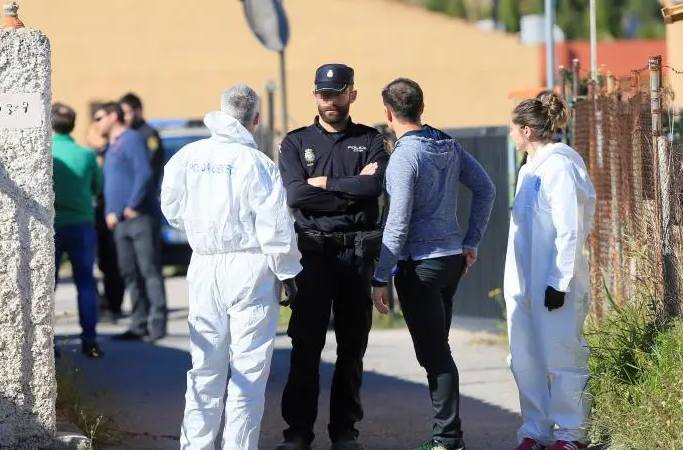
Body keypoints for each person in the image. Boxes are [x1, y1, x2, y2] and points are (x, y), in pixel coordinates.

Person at [160, 84, 302, 450]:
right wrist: (288, 272)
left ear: (221, 111)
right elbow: (275, 227)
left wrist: (200, 229)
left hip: (204, 264)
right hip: (250, 267)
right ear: (256, 120)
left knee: (204, 366)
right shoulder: (257, 164)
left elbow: (171, 210)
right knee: (248, 371)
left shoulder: (187, 156)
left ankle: (196, 445)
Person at [370, 78, 496, 450]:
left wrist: (380, 276)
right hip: (449, 260)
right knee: (437, 349)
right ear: (421, 108)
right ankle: (446, 436)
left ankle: (447, 440)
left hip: (420, 266)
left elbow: (397, 222)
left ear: (388, 112)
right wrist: (470, 241)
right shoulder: (446, 143)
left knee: (435, 355)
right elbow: (486, 187)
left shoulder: (405, 156)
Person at [277, 63, 390, 450]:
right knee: (306, 346)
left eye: (337, 94)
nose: (330, 102)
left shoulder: (371, 140)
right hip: (312, 253)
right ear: (315, 96)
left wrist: (325, 185)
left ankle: (344, 433)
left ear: (351, 94)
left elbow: (374, 186)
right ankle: (298, 433)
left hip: (356, 254)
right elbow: (295, 195)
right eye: (323, 95)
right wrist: (350, 191)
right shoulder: (295, 142)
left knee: (351, 347)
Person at [504, 93, 596, 450]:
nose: (511, 134)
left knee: (562, 357)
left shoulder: (561, 165)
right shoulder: (529, 170)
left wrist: (559, 281)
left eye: (513, 128)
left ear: (526, 130)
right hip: (524, 284)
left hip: (555, 283)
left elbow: (568, 228)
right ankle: (536, 429)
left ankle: (572, 433)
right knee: (524, 357)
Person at [94, 102, 168, 343]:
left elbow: (144, 173)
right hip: (118, 222)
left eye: (99, 118)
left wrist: (131, 206)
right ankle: (138, 323)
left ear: (113, 116)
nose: (96, 123)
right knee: (129, 273)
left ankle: (157, 323)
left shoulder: (133, 139)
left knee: (149, 271)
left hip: (138, 218)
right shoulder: (113, 145)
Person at [51, 103, 105, 358]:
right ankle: (90, 340)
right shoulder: (86, 155)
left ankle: (49, 343)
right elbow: (97, 187)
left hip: (50, 224)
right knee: (85, 282)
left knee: (46, 285)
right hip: (81, 223)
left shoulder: (46, 152)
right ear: (72, 125)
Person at [87, 105, 126, 323]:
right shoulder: (95, 153)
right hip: (96, 213)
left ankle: (113, 305)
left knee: (112, 262)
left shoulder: (115, 147)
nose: (96, 124)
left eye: (99, 118)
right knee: (98, 262)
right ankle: (102, 302)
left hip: (112, 213)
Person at [119, 92, 166, 191]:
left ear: (138, 111)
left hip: (145, 191)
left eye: (127, 113)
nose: (124, 117)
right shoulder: (126, 133)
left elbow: (147, 162)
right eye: (122, 114)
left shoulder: (148, 134)